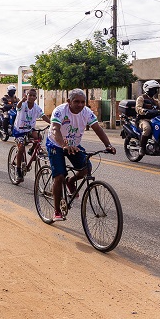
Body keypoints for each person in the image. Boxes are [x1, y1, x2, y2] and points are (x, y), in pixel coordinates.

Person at [46, 89, 116, 221]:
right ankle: (56, 211)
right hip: (56, 144)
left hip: (74, 145)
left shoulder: (87, 112)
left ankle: (71, 181)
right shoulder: (60, 111)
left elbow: (98, 129)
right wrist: (64, 145)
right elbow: (55, 129)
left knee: (87, 168)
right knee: (59, 175)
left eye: (82, 102)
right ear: (69, 102)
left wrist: (108, 145)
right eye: (76, 101)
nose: (80, 105)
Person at [12, 88, 50, 181]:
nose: (32, 97)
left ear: (36, 98)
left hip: (29, 129)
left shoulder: (36, 107)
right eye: (30, 95)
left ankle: (32, 150)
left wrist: (52, 123)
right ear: (26, 96)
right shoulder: (23, 104)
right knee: (21, 148)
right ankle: (18, 171)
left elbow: (43, 116)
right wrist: (21, 100)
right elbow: (18, 106)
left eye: (34, 95)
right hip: (19, 131)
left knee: (39, 137)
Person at [136, 80, 160, 144]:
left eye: (156, 89)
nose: (155, 91)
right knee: (147, 128)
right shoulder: (141, 98)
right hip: (143, 119)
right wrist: (144, 110)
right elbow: (138, 108)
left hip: (154, 119)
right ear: (147, 89)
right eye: (153, 89)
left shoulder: (155, 100)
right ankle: (142, 147)